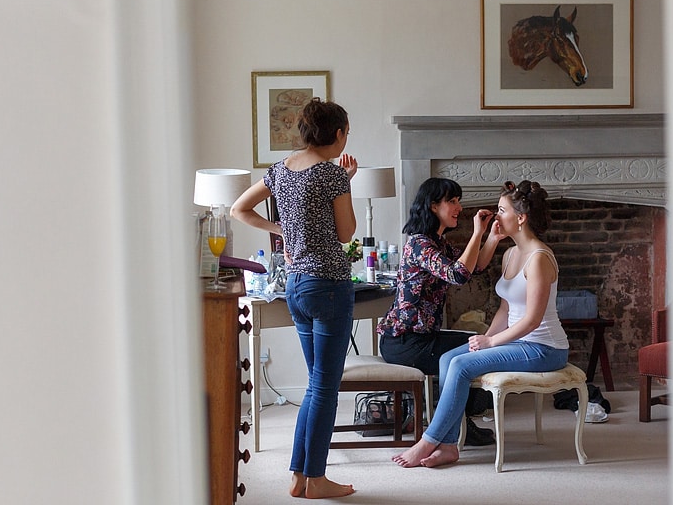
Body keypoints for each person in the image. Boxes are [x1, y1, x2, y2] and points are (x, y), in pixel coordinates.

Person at [231, 97, 358, 499]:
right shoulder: (331, 175)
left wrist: (282, 228)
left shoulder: (281, 170)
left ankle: (299, 476)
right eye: (345, 135)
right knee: (325, 385)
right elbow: (346, 233)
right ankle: (316, 479)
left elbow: (239, 209)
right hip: (329, 286)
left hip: (297, 286)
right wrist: (346, 183)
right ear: (337, 134)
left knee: (315, 384)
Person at [393, 180, 569, 468]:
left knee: (461, 365)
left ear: (521, 218)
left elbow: (533, 319)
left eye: (502, 210)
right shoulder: (512, 253)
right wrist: (483, 341)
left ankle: (429, 440)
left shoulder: (538, 258)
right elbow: (505, 308)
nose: (496, 216)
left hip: (544, 347)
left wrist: (490, 343)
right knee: (451, 358)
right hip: (520, 342)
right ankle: (449, 445)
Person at [376, 177, 502, 446]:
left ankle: (459, 423)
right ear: (434, 206)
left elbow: (474, 267)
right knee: (475, 349)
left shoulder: (438, 243)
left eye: (459, 201)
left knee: (477, 344)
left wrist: (492, 236)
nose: (458, 207)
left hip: (422, 338)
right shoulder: (420, 244)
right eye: (452, 201)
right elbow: (458, 274)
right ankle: (457, 427)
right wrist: (477, 234)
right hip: (404, 343)